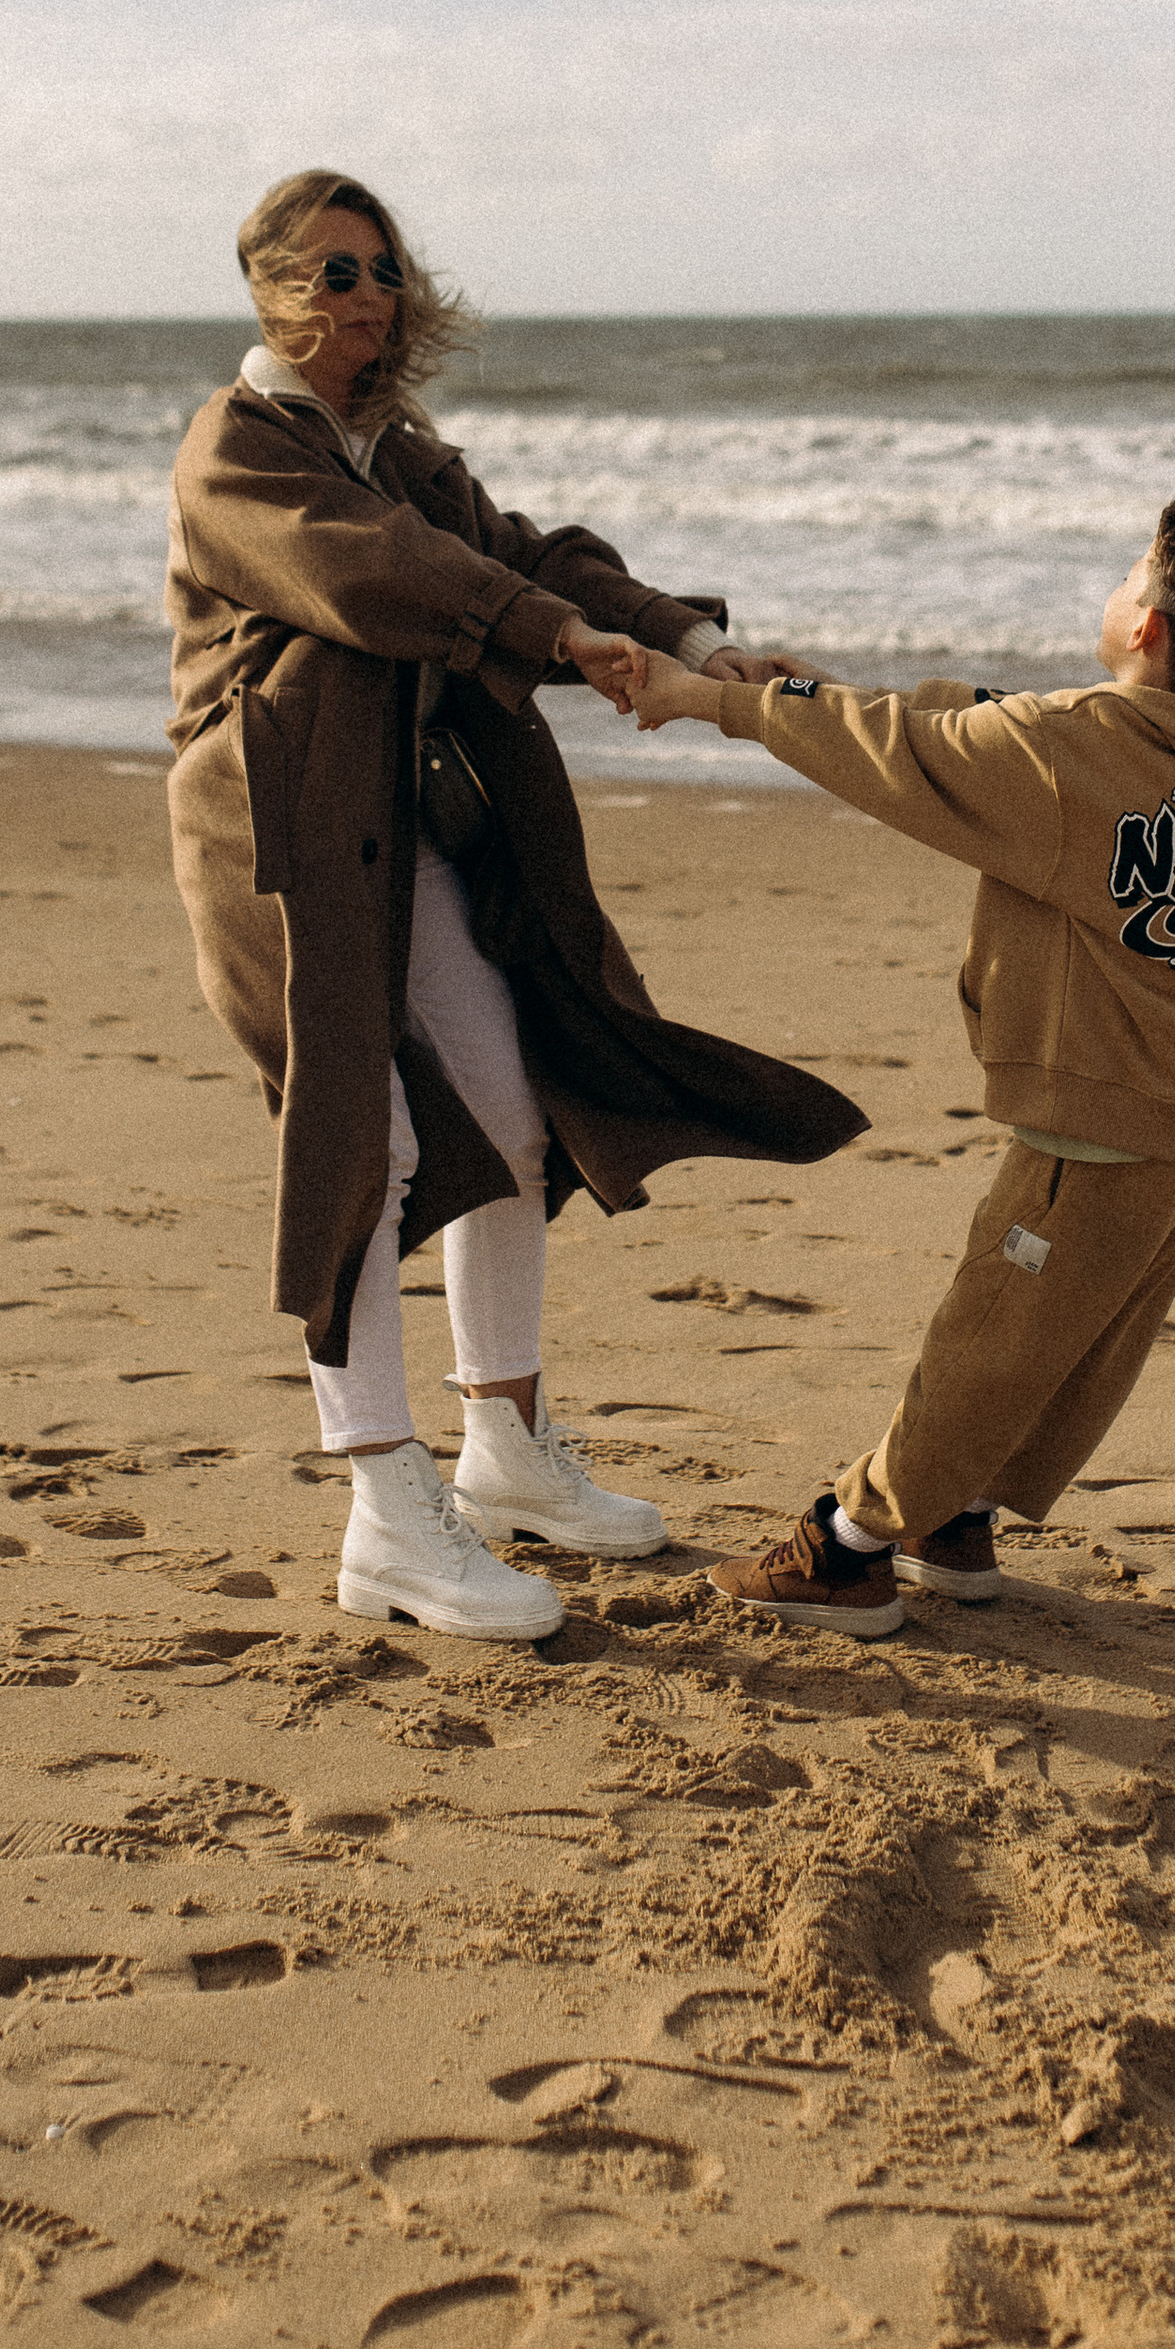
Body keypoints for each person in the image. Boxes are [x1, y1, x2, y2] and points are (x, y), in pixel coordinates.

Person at [162, 169, 866, 1643]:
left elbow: (513, 549)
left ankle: (505, 1451)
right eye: (337, 272)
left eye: (384, 271)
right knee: (373, 1137)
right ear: (275, 291)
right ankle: (383, 1508)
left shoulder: (396, 448)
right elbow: (387, 577)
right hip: (282, 839)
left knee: (516, 1112)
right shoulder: (238, 451)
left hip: (406, 826)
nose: (370, 296)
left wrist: (673, 632)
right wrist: (558, 633)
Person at [592, 481, 1175, 1637]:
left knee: (991, 1332)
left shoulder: (1072, 751)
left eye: (1130, 574)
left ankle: (851, 1548)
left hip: (1106, 1117)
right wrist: (802, 691)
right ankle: (958, 1511)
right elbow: (965, 728)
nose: (1119, 587)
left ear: (1149, 627)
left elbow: (915, 754)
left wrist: (708, 702)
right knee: (1079, 1331)